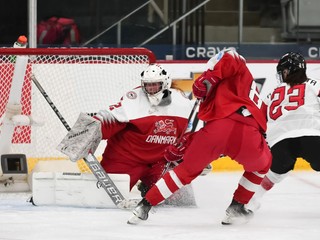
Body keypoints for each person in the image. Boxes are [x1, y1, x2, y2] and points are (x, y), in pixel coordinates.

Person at [127, 48, 272, 225]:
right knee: (261, 166)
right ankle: (236, 207)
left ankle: (144, 206)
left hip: (216, 131)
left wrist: (184, 146)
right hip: (246, 133)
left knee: (184, 172)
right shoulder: (239, 88)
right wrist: (183, 146)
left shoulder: (227, 72)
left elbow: (231, 55)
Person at [58, 63, 198, 201]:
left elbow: (187, 134)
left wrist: (192, 154)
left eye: (155, 84)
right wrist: (84, 133)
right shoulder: (134, 98)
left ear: (165, 84)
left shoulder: (182, 103)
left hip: (161, 161)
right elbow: (108, 117)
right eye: (147, 85)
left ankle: (147, 186)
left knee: (181, 200)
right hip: (126, 159)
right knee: (103, 199)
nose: (150, 88)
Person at [246, 52, 320, 211]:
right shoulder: (315, 84)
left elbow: (258, 117)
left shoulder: (273, 92)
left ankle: (249, 203)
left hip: (280, 140)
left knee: (275, 171)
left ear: (287, 71)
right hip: (312, 135)